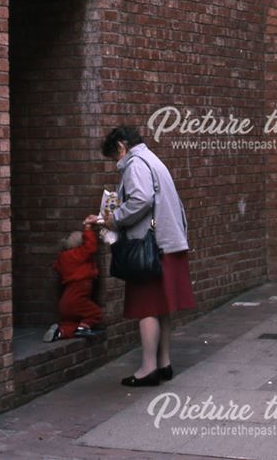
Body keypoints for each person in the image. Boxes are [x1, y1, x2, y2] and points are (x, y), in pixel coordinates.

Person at [85, 126, 194, 387]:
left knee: (146, 307)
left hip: (148, 248)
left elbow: (141, 200)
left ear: (122, 147)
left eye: (115, 157)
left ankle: (148, 368)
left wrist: (114, 220)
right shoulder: (154, 160)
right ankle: (163, 363)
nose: (116, 163)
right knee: (162, 307)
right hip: (169, 242)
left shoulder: (135, 164)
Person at [44, 225, 102, 342]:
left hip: (65, 300)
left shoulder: (62, 258)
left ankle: (60, 332)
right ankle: (82, 328)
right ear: (80, 245)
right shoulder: (79, 254)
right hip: (77, 295)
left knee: (69, 324)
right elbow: (90, 246)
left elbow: (56, 267)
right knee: (95, 314)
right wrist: (88, 229)